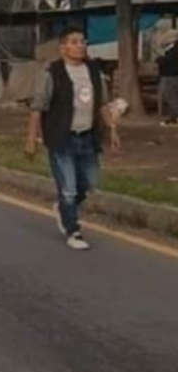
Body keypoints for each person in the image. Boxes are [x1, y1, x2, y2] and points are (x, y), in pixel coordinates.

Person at [26, 27, 121, 251]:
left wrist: (113, 129)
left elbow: (103, 105)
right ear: (63, 48)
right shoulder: (52, 73)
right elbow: (37, 108)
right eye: (74, 42)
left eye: (83, 41)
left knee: (88, 183)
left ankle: (63, 208)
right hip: (61, 139)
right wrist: (31, 139)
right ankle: (73, 229)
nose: (80, 45)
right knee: (68, 188)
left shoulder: (94, 72)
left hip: (88, 138)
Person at [157, 32, 178, 126]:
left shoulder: (173, 50)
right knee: (171, 97)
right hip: (171, 76)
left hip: (170, 76)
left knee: (171, 98)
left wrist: (161, 60)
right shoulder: (171, 50)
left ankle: (174, 118)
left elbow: (169, 62)